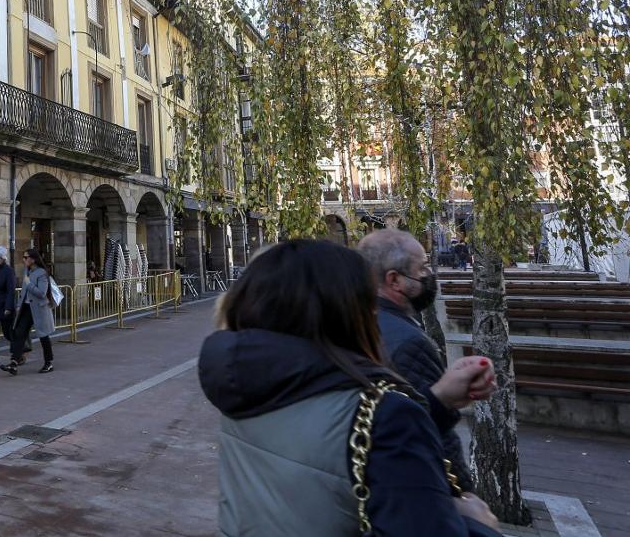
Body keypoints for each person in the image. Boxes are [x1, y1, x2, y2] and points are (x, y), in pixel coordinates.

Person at [199, 239, 501, 536]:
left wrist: (436, 400)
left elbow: (319, 444)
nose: (374, 314)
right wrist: (476, 524)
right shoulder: (386, 414)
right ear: (342, 309)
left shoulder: (247, 383)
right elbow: (359, 434)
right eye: (367, 302)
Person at [359, 228, 490, 490]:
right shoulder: (408, 342)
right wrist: (463, 492)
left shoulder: (358, 321)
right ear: (394, 280)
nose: (428, 276)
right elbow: (430, 430)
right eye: (422, 268)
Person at [1, 247, 55, 375]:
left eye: (26, 257)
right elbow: (24, 291)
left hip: (39, 308)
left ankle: (48, 363)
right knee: (19, 333)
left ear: (33, 259)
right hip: (26, 308)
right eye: (23, 257)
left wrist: (29, 284)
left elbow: (42, 293)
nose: (24, 260)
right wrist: (19, 305)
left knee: (43, 336)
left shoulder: (42, 273)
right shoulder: (27, 271)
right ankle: (14, 362)